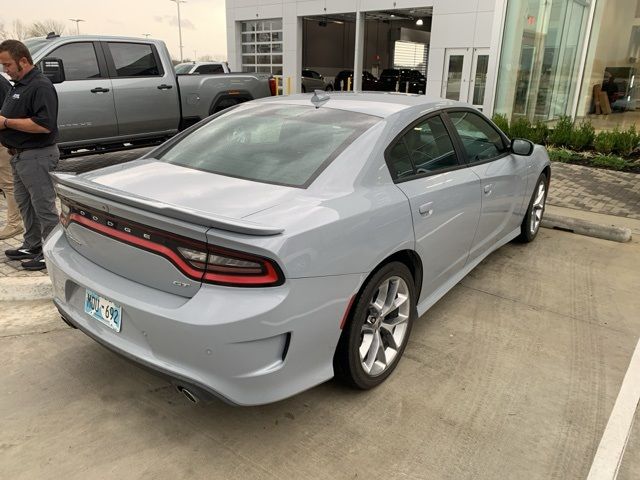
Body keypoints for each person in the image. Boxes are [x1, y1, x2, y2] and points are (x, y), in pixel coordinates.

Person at [0, 39, 59, 271]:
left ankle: (52, 252)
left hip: (37, 156)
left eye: (7, 65)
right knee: (26, 204)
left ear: (23, 60)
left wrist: (6, 122)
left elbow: (45, 125)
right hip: (19, 156)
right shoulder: (19, 84)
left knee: (43, 206)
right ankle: (32, 244)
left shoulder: (40, 86)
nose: (5, 70)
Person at [0, 70, 23, 239]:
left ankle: (15, 224)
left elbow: (8, 112)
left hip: (2, 138)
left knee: (8, 182)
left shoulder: (1, 83)